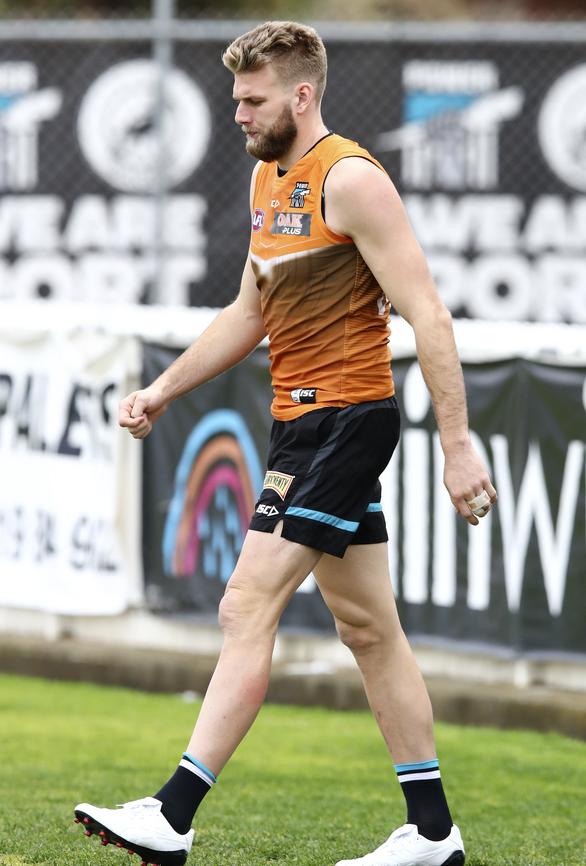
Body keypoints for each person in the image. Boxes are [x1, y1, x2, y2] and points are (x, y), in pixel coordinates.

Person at [74, 20, 496, 866]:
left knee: (244, 604)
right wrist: (160, 390)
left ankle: (173, 813)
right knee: (369, 628)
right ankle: (433, 834)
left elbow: (430, 314)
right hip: (304, 422)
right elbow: (248, 313)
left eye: (253, 98)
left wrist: (458, 445)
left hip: (344, 423)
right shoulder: (272, 180)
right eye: (236, 99)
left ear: (302, 95)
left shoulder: (350, 179)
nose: (238, 113)